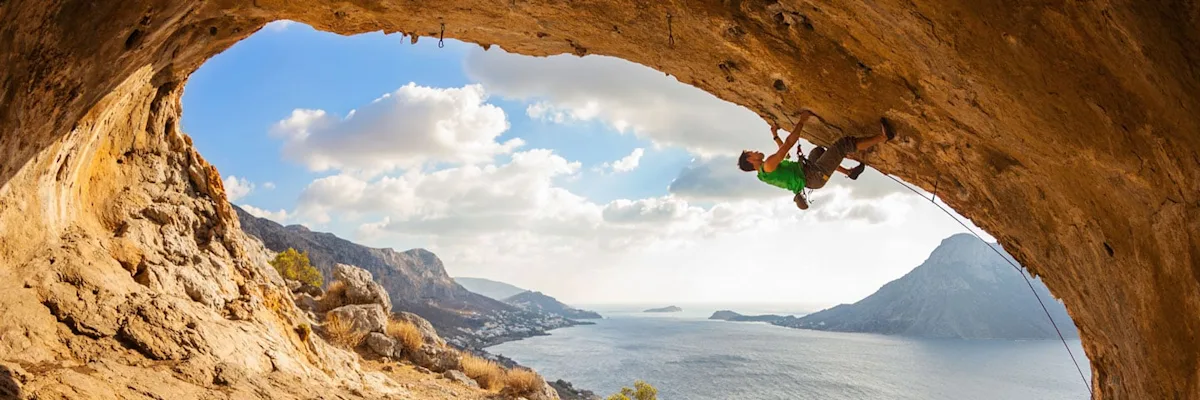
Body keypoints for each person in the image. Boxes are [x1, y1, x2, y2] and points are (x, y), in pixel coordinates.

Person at [737, 110, 896, 209]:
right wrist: (802, 121)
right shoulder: (768, 166)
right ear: (750, 160)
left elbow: (785, 155)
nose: (756, 151)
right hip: (814, 177)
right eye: (752, 152)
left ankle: (848, 171)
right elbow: (787, 145)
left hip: (808, 172)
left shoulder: (765, 172)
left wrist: (775, 135)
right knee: (842, 145)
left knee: (818, 151)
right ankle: (883, 137)